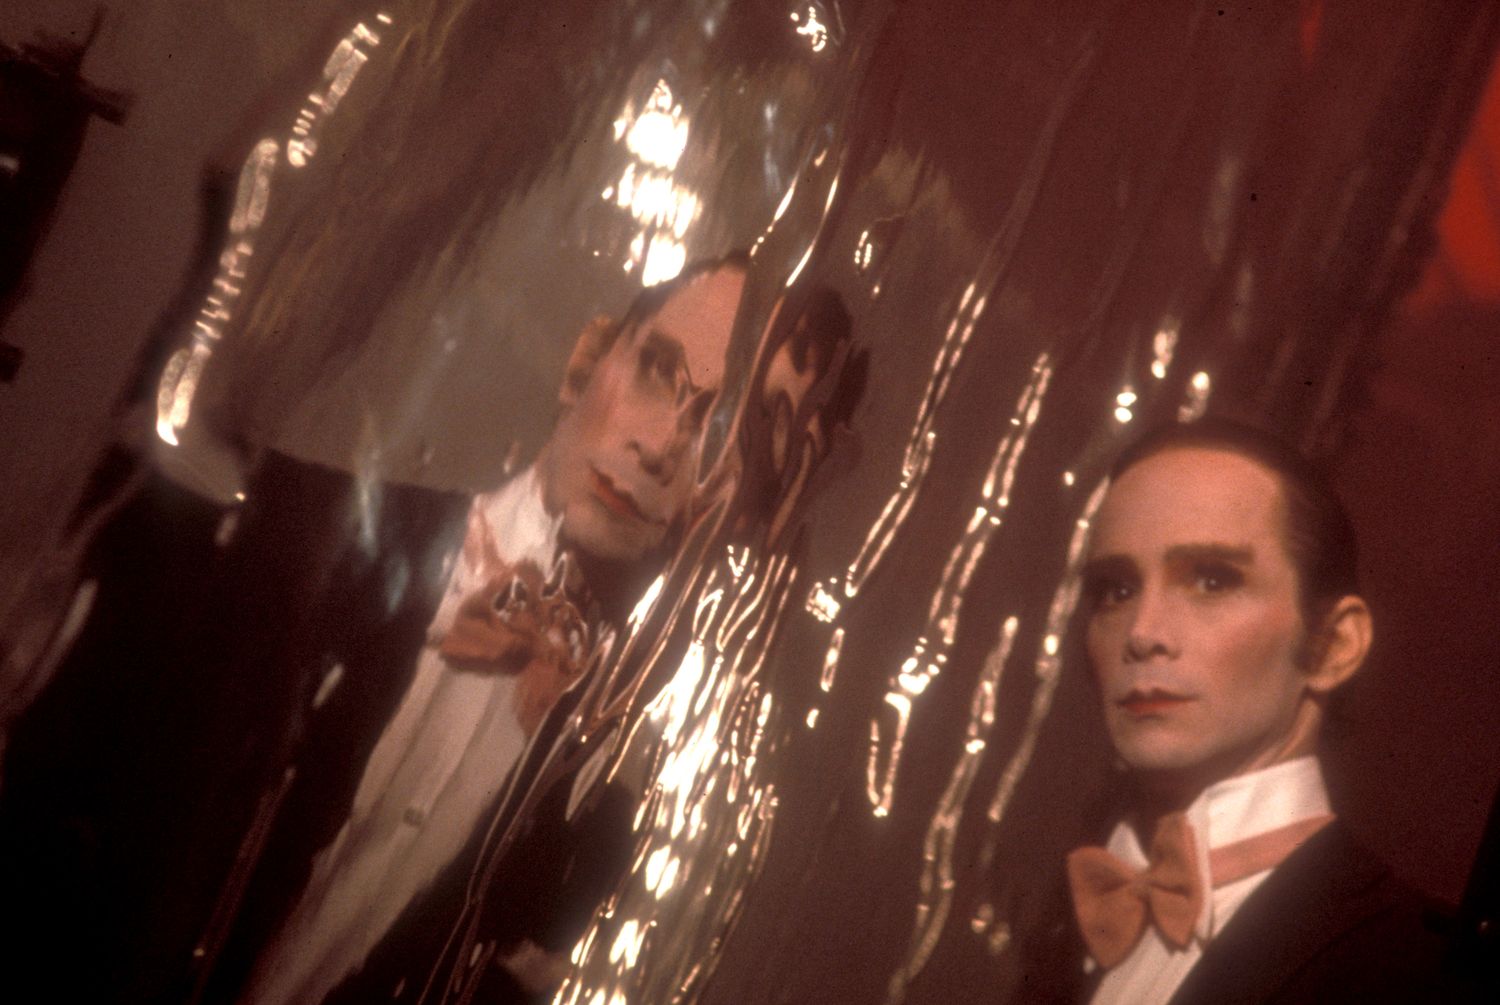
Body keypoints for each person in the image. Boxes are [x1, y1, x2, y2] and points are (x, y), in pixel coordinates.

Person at [168, 253, 750, 1005]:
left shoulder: (620, 780)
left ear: (723, 495)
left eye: (713, 424)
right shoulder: (306, 529)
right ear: (586, 361)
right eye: (656, 370)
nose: (663, 443)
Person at [1050, 418, 1465, 1004]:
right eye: (1115, 590)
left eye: (1212, 580)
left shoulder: (1414, 967)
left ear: (1332, 646)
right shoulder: (1069, 923)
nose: (1142, 633)